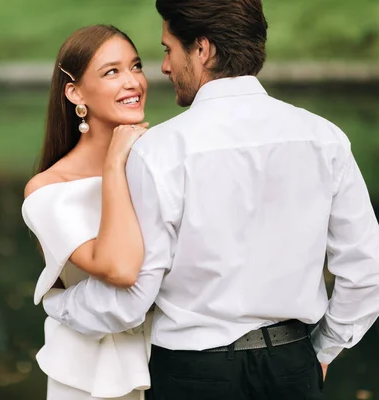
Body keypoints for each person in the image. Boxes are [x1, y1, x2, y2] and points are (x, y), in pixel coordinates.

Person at [41, 1, 379, 399]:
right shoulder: (325, 138)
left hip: (192, 373)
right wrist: (323, 348)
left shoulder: (160, 151)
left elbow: (131, 301)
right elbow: (367, 269)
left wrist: (59, 304)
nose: (164, 67)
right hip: (293, 366)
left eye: (168, 49)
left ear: (202, 49)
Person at [21, 25, 153, 400]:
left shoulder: (161, 164)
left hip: (174, 360)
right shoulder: (49, 190)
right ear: (75, 92)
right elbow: (119, 268)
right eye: (112, 72)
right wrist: (114, 165)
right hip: (92, 376)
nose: (132, 82)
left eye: (136, 66)